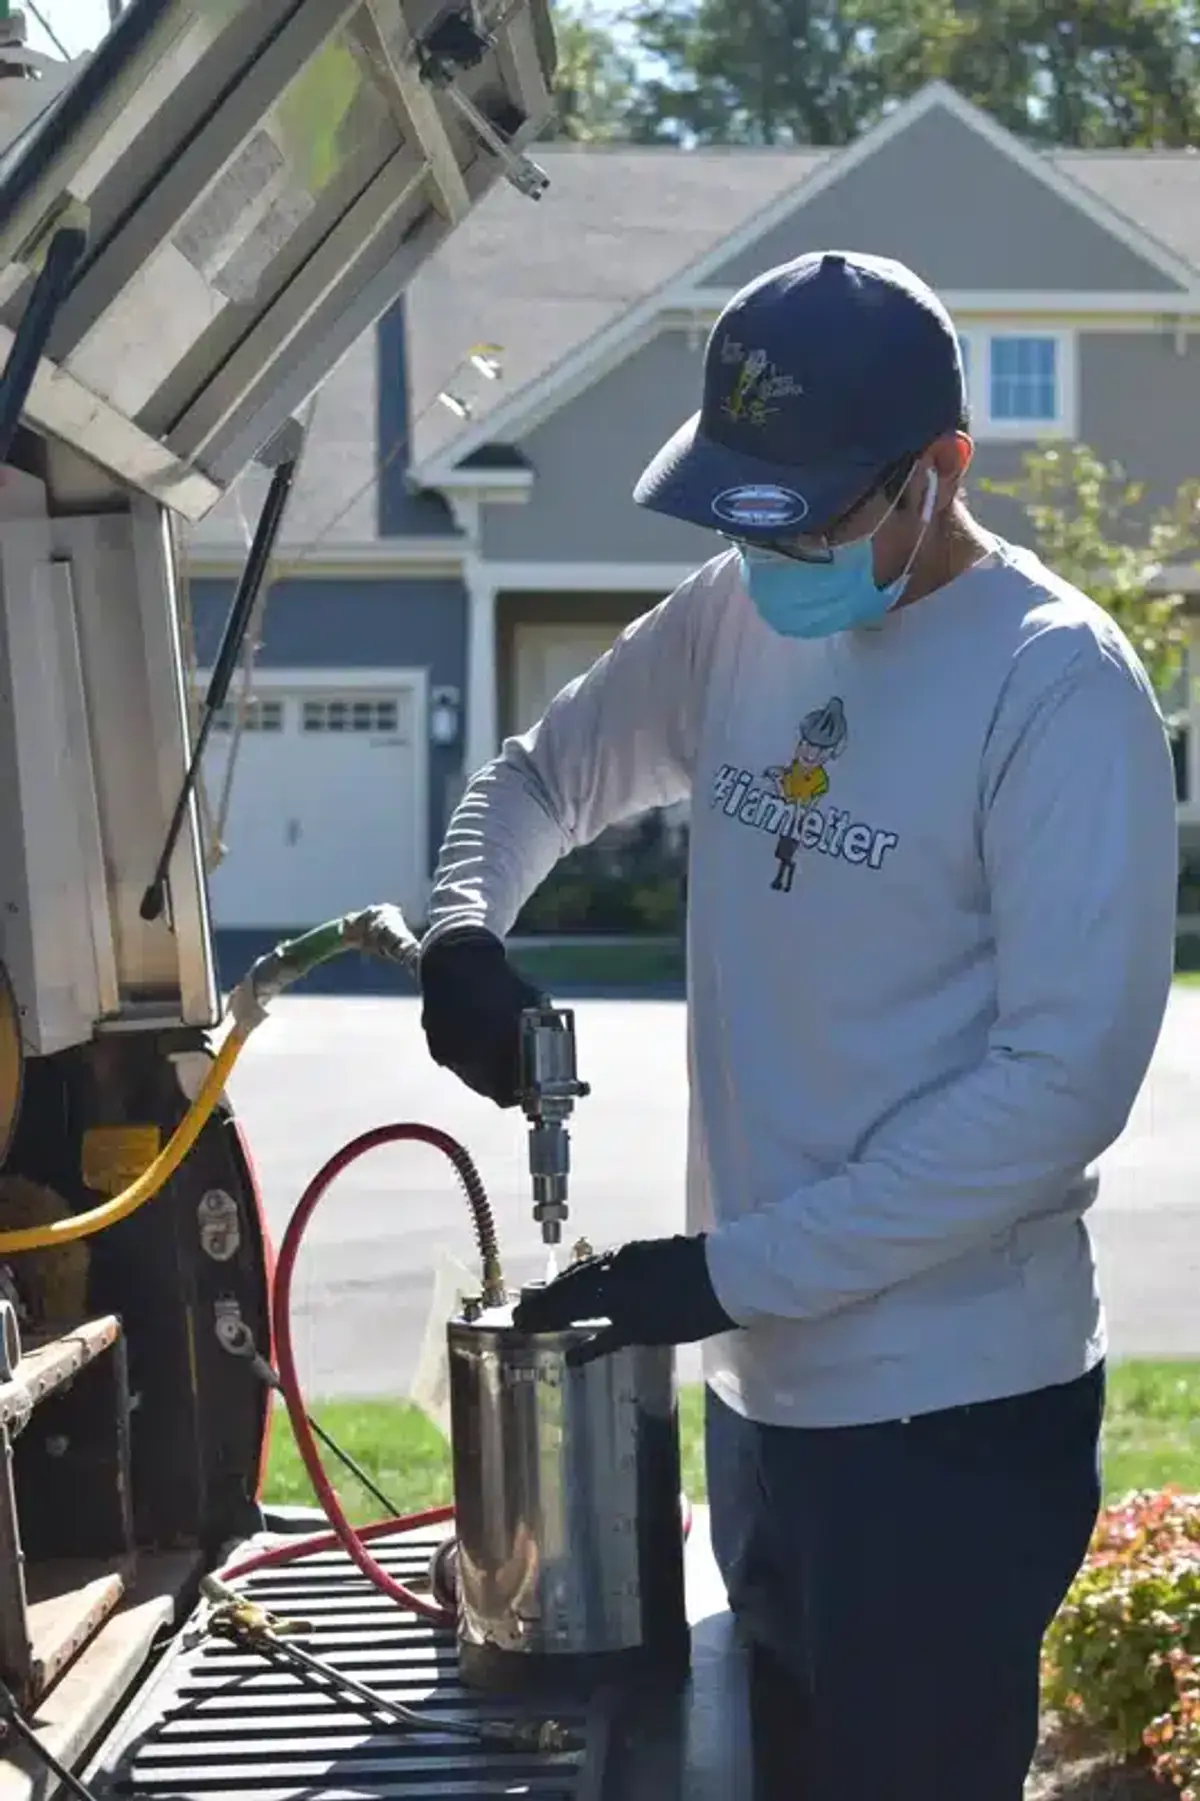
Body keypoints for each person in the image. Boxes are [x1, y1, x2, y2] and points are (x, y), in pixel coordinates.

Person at [418, 249, 1179, 1800]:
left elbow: (1056, 1093)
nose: (770, 553)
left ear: (940, 472)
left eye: (813, 514)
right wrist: (459, 932)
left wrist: (723, 1271)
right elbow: (544, 777)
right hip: (764, 1397)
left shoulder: (1055, 688)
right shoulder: (735, 616)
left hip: (952, 1415)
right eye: (740, 508)